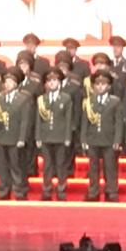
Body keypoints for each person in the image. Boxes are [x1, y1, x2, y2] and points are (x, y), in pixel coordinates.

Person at [80, 69, 123, 202]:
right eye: (97, 84)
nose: (100, 87)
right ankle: (93, 192)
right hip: (93, 139)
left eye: (103, 84)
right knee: (93, 168)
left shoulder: (115, 101)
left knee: (110, 167)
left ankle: (111, 192)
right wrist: (83, 139)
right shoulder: (89, 102)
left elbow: (119, 123)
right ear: (93, 86)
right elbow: (85, 122)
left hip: (109, 140)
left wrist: (117, 140)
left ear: (109, 86)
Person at [0, 69, 32, 201]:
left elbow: (25, 120)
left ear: (16, 83)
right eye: (6, 82)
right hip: (2, 137)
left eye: (10, 82)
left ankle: (19, 191)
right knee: (2, 167)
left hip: (15, 137)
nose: (7, 84)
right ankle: (3, 191)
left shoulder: (23, 99)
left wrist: (22, 138)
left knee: (16, 166)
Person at [35, 70, 73, 201]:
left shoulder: (66, 98)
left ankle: (61, 190)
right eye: (49, 81)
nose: (52, 83)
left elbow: (68, 119)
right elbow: (38, 120)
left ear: (59, 83)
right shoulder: (42, 99)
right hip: (46, 136)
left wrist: (67, 137)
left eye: (55, 80)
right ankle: (47, 190)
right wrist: (38, 136)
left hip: (60, 137)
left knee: (61, 164)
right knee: (47, 165)